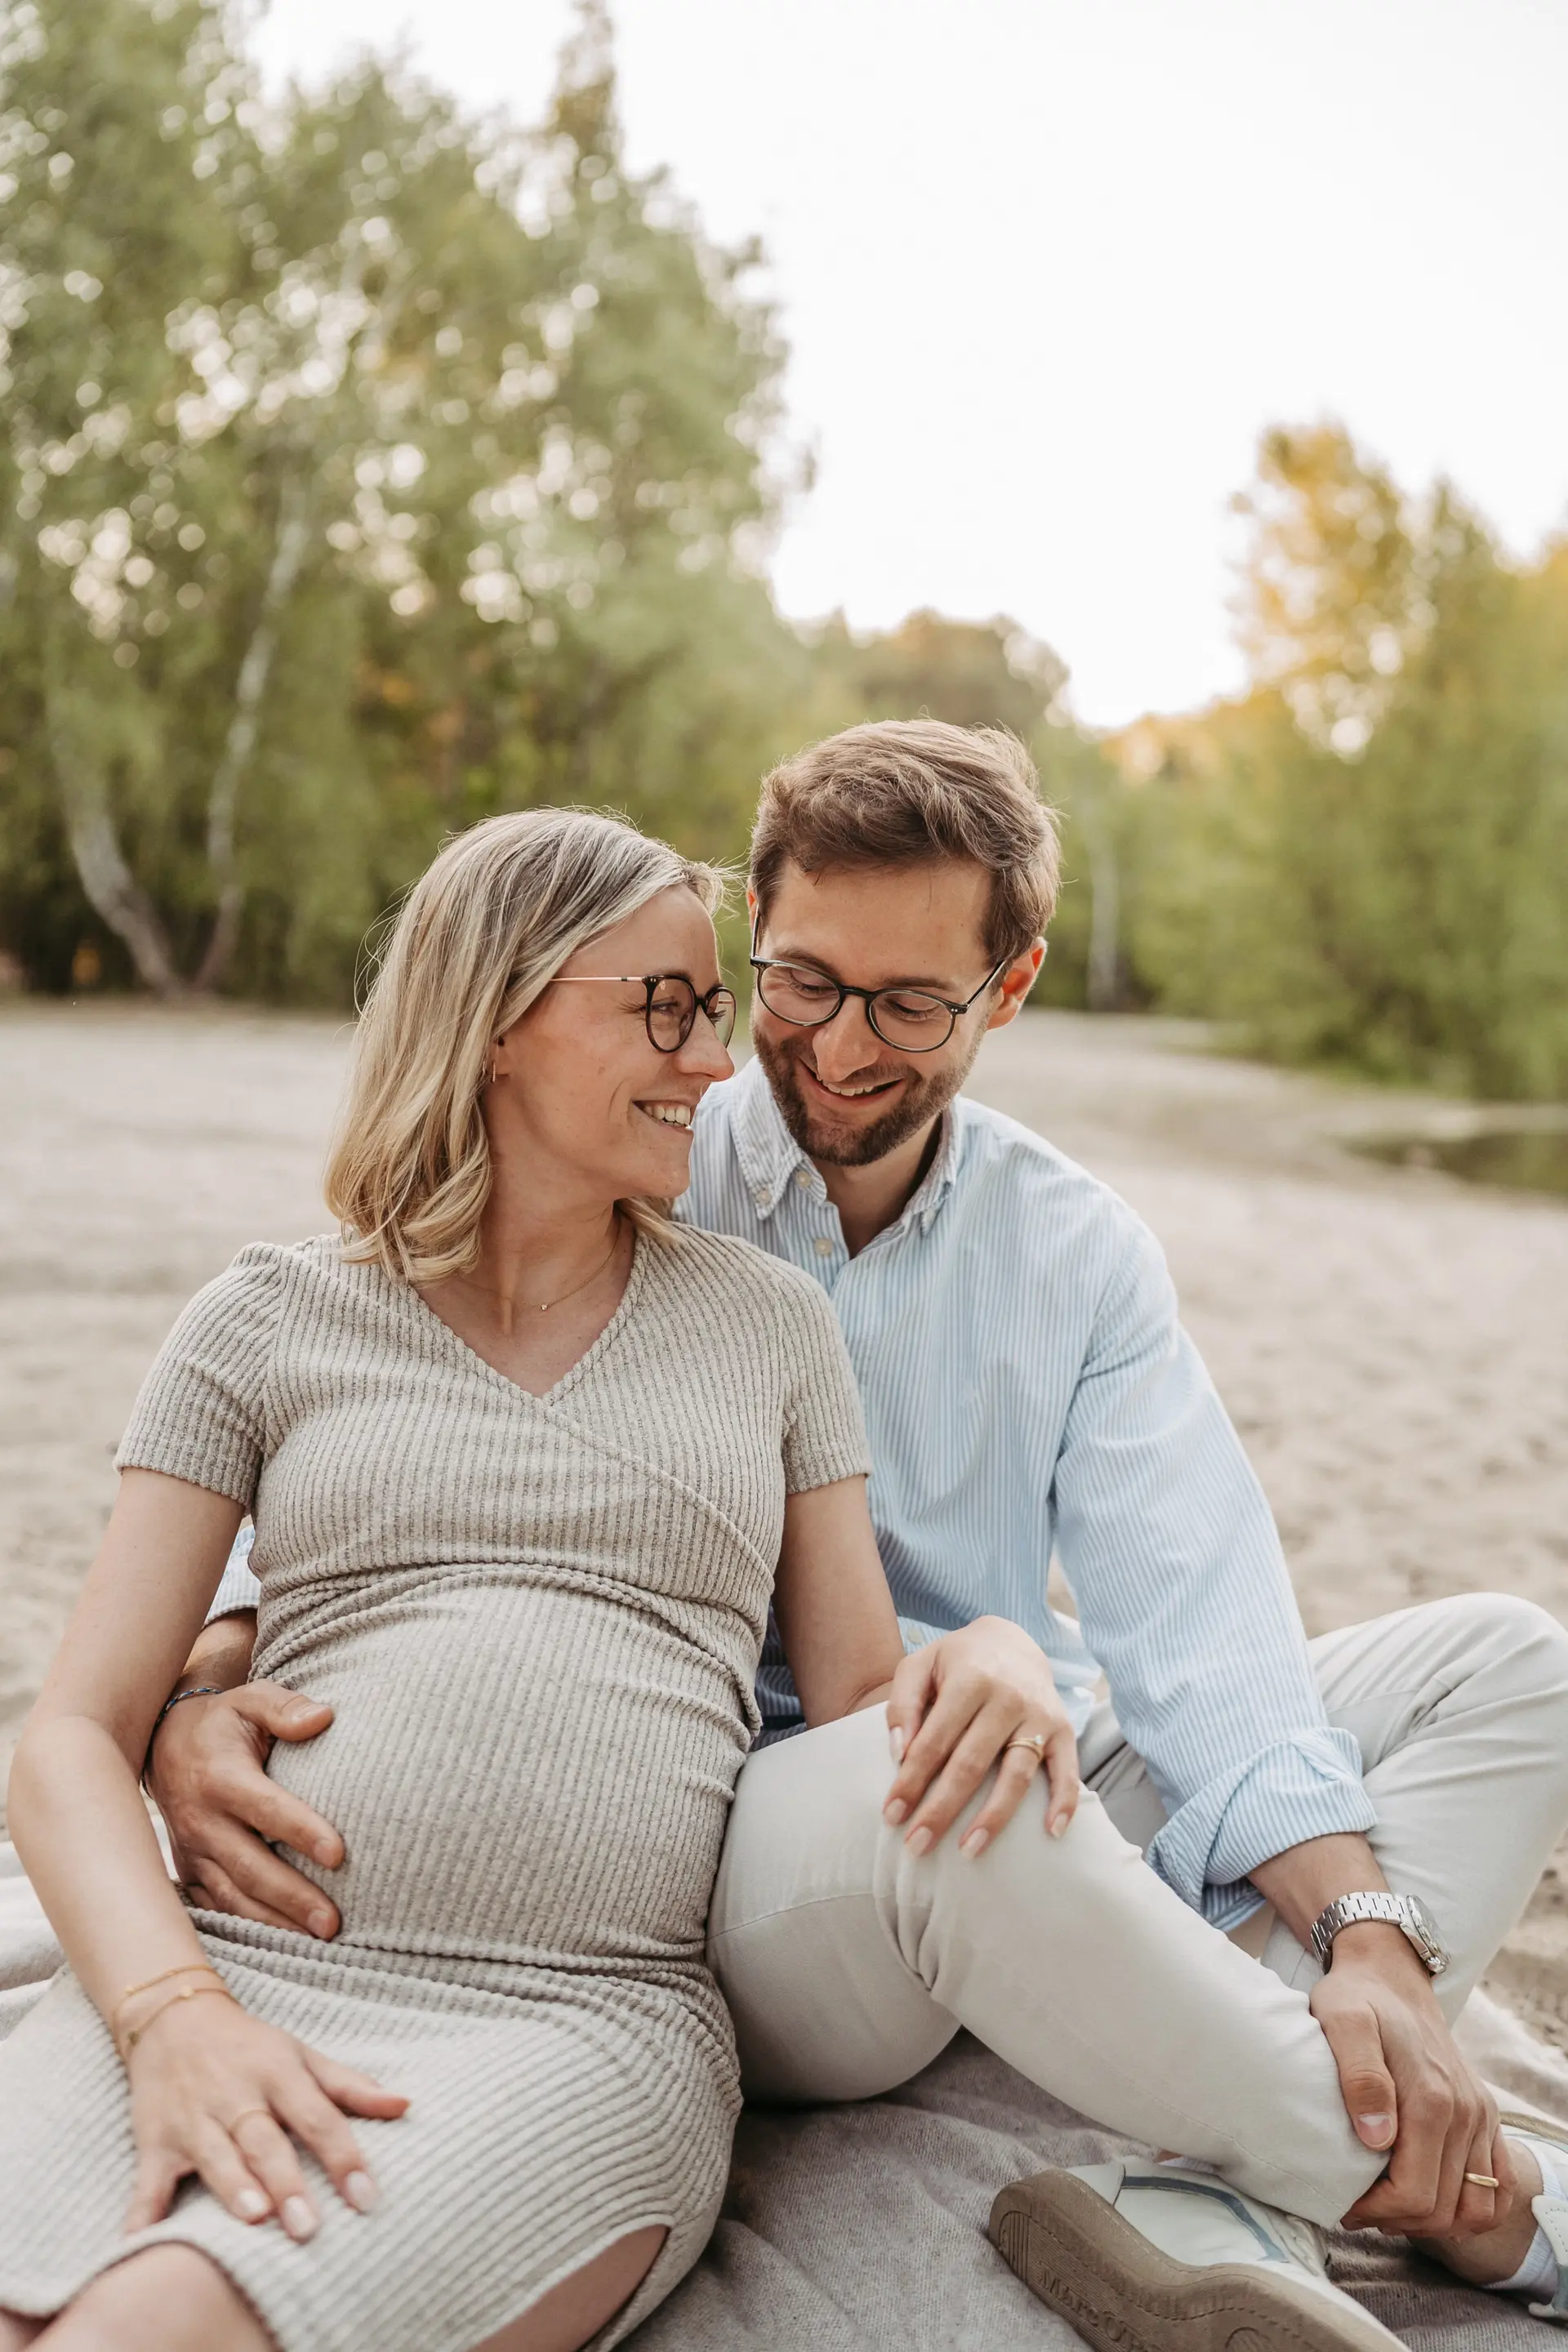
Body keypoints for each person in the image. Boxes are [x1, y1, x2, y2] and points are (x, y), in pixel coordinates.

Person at [145, 727, 1568, 2350]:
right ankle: (1498, 2207)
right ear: (751, 929)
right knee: (945, 1775)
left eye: (908, 1005)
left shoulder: (1075, 1252)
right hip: (741, 1839)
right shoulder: (634, 1144)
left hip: (1003, 1758)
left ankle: (1223, 2174)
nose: (831, 1049)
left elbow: (1206, 1637)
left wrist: (1367, 1935)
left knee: (1510, 1671)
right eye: (802, 982)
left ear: (1010, 988)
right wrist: (199, 1691)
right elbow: (363, 1439)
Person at [0, 808, 1052, 2352]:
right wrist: (174, 2018)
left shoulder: (771, 1331)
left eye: (713, 1010)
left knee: (147, 2332)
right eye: (666, 1008)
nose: (716, 1063)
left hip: (569, 2027)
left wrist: (1007, 1652)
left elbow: (859, 1716)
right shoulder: (264, 1320)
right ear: (496, 1018)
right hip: (215, 1972)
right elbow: (71, 1735)